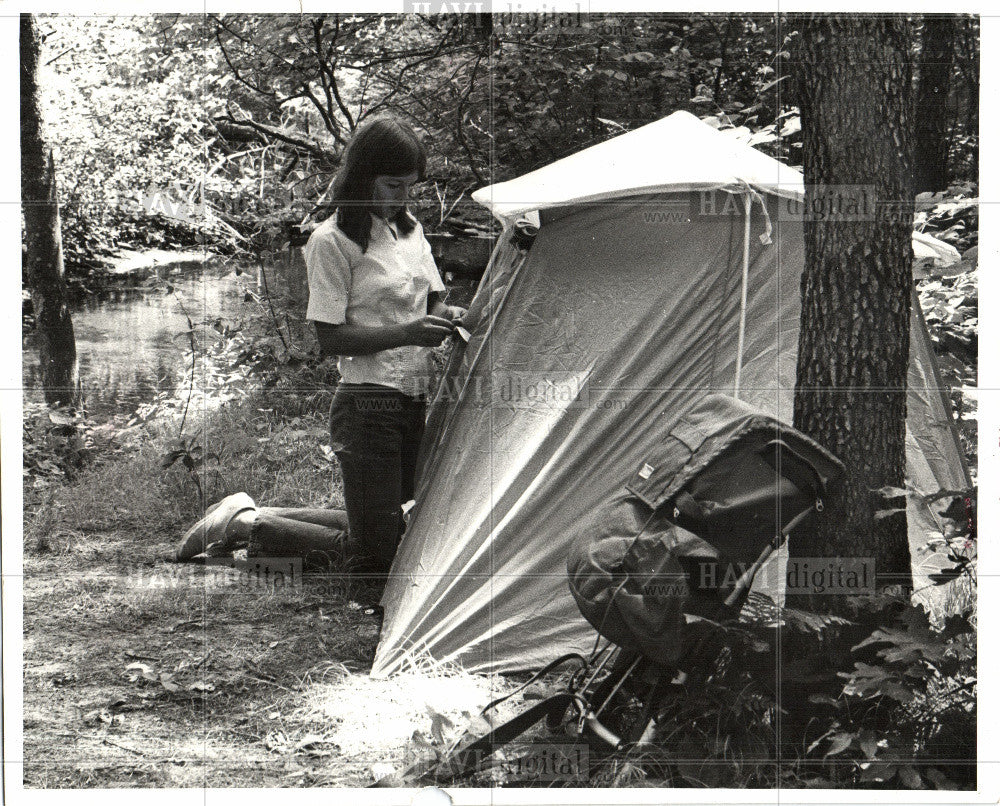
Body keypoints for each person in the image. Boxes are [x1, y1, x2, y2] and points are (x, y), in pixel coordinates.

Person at [303, 117, 465, 581]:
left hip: (413, 396)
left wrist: (447, 316)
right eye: (393, 185)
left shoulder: (410, 232)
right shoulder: (331, 241)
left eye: (410, 187)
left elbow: (434, 296)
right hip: (366, 401)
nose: (402, 198)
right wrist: (410, 333)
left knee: (406, 520)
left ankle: (265, 519)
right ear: (362, 176)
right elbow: (328, 338)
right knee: (375, 554)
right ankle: (253, 527)